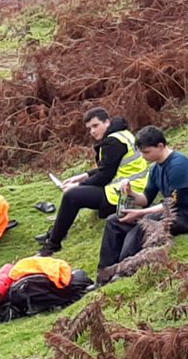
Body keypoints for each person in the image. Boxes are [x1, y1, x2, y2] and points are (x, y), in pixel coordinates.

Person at [97, 126, 188, 282]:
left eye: (146, 152)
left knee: (142, 226)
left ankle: (122, 271)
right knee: (114, 221)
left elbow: (173, 202)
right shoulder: (155, 168)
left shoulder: (178, 166)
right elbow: (145, 199)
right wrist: (130, 193)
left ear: (160, 146)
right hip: (168, 211)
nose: (143, 157)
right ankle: (103, 274)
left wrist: (140, 214)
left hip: (187, 214)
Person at [38, 108, 148, 257]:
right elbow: (110, 167)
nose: (92, 131)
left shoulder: (112, 142)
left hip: (124, 194)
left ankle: (52, 245)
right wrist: (83, 176)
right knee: (75, 194)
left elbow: (105, 176)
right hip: (135, 187)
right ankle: (54, 234)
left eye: (95, 126)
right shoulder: (123, 134)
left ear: (107, 122)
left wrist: (78, 186)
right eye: (89, 128)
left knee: (71, 196)